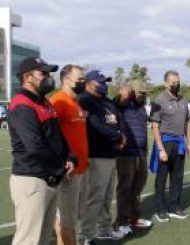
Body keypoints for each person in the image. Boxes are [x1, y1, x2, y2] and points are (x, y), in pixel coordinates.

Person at [8, 57, 76, 245]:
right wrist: (61, 168)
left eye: (49, 73)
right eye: (43, 73)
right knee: (28, 240)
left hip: (49, 179)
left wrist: (70, 156)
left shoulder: (44, 102)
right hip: (32, 180)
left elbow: (58, 136)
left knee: (43, 238)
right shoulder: (21, 103)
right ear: (27, 77)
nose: (48, 77)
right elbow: (34, 146)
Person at [78, 70, 126, 244]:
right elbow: (94, 124)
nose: (104, 85)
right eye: (100, 82)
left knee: (106, 196)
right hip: (96, 155)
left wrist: (121, 135)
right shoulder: (84, 100)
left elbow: (118, 120)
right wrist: (117, 136)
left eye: (105, 81)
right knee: (95, 198)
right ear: (89, 83)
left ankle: (104, 229)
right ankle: (86, 235)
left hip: (110, 155)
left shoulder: (107, 102)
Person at [49, 65, 88, 245]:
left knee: (69, 217)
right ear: (66, 80)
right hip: (69, 171)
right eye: (80, 78)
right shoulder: (59, 101)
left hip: (80, 169)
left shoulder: (75, 101)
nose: (83, 81)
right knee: (68, 221)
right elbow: (50, 136)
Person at [149, 70, 190, 222]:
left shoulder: (183, 100)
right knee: (161, 178)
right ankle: (161, 209)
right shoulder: (159, 100)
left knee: (177, 177)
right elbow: (155, 126)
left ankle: (174, 206)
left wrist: (189, 142)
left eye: (178, 81)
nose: (176, 84)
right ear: (166, 83)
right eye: (173, 81)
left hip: (180, 143)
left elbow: (187, 123)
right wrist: (160, 149)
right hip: (165, 142)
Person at [113, 80, 152, 236]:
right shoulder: (122, 106)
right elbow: (116, 101)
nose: (143, 95)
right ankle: (120, 222)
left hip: (141, 153)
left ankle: (133, 218)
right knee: (125, 188)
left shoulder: (142, 108)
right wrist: (123, 94)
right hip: (126, 154)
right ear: (132, 93)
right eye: (140, 93)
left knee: (138, 186)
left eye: (145, 93)